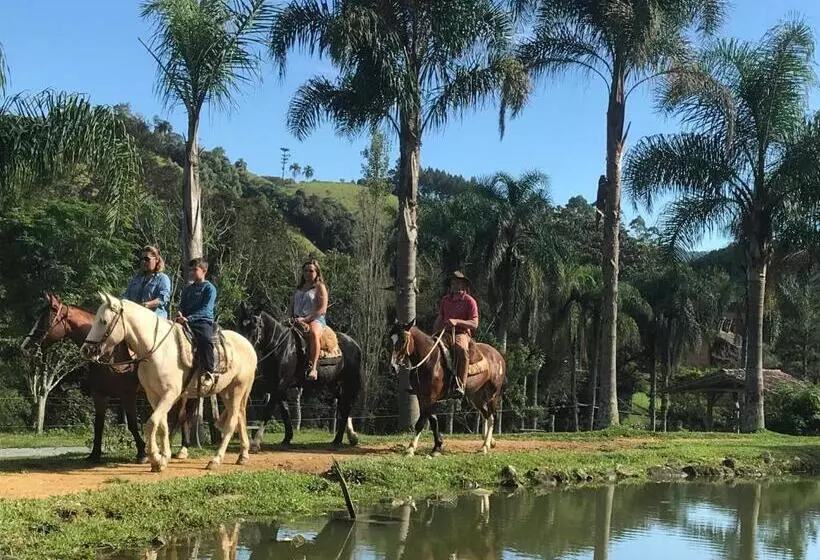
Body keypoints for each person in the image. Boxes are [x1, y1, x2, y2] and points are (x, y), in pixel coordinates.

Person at [433, 271, 479, 398]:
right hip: (444, 332)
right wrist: (434, 331)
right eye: (452, 282)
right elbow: (440, 317)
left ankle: (460, 385)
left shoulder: (470, 301)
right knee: (429, 348)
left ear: (463, 285)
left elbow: (474, 324)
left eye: (457, 282)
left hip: (461, 333)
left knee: (461, 351)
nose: (454, 284)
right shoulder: (445, 300)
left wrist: (457, 321)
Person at [176, 258, 217, 389]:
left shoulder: (209, 288)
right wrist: (180, 314)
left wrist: (190, 318)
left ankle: (209, 371)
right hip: (185, 320)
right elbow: (182, 306)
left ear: (204, 271)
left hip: (202, 322)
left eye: (195, 269)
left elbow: (206, 309)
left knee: (206, 340)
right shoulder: (188, 289)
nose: (192, 272)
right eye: (191, 270)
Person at [291, 259, 328, 382]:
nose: (308, 273)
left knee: (313, 333)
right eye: (305, 270)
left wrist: (306, 319)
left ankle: (314, 368)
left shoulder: (319, 287)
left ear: (317, 272)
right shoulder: (298, 288)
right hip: (296, 319)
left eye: (311, 271)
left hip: (315, 319)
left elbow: (322, 309)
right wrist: (290, 317)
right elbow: (291, 305)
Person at [122, 245, 172, 319]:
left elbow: (163, 299)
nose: (143, 262)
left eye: (147, 259)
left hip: (155, 318)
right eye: (142, 259)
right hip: (135, 317)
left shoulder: (163, 278)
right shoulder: (136, 278)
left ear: (156, 260)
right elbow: (126, 295)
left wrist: (146, 305)